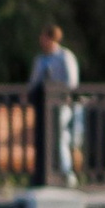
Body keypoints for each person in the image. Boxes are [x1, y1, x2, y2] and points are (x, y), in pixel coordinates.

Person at [27, 19, 81, 177]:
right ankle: (47, 172)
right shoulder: (41, 59)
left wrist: (58, 91)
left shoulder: (64, 57)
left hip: (61, 104)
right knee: (46, 138)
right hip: (43, 107)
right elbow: (33, 82)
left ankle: (65, 172)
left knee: (59, 136)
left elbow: (72, 82)